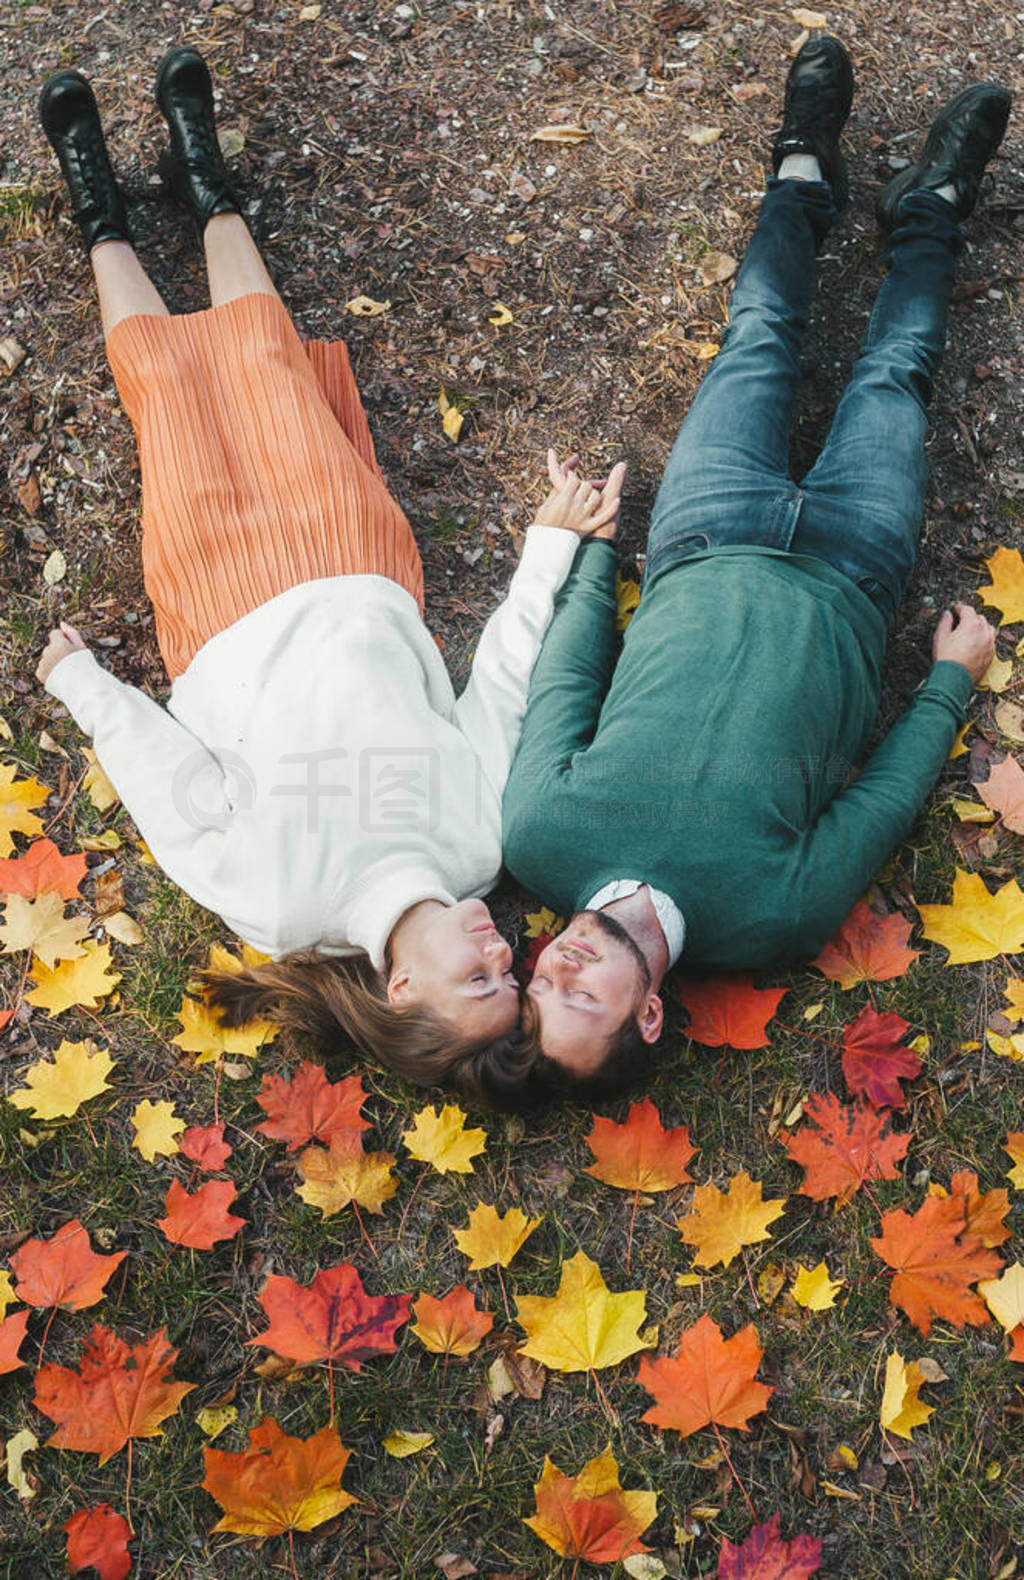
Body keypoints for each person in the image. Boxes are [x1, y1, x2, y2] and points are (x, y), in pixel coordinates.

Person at [34, 49, 626, 1098]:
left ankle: (100, 213)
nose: (504, 951)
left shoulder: (279, 905)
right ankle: (205, 183)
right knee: (264, 363)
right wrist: (546, 544)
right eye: (512, 973)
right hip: (350, 556)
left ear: (401, 987)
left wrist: (88, 686)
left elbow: (178, 793)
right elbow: (498, 684)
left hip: (221, 605)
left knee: (171, 397)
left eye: (477, 978)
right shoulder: (477, 844)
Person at [501, 38, 1010, 1099]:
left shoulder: (541, 838)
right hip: (852, 572)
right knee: (894, 374)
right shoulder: (773, 917)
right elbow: (879, 801)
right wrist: (950, 679)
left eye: (537, 983)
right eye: (581, 998)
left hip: (699, 535)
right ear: (648, 1011)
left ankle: (800, 168)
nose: (559, 965)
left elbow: (567, 682)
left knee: (760, 334)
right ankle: (933, 208)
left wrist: (595, 553)